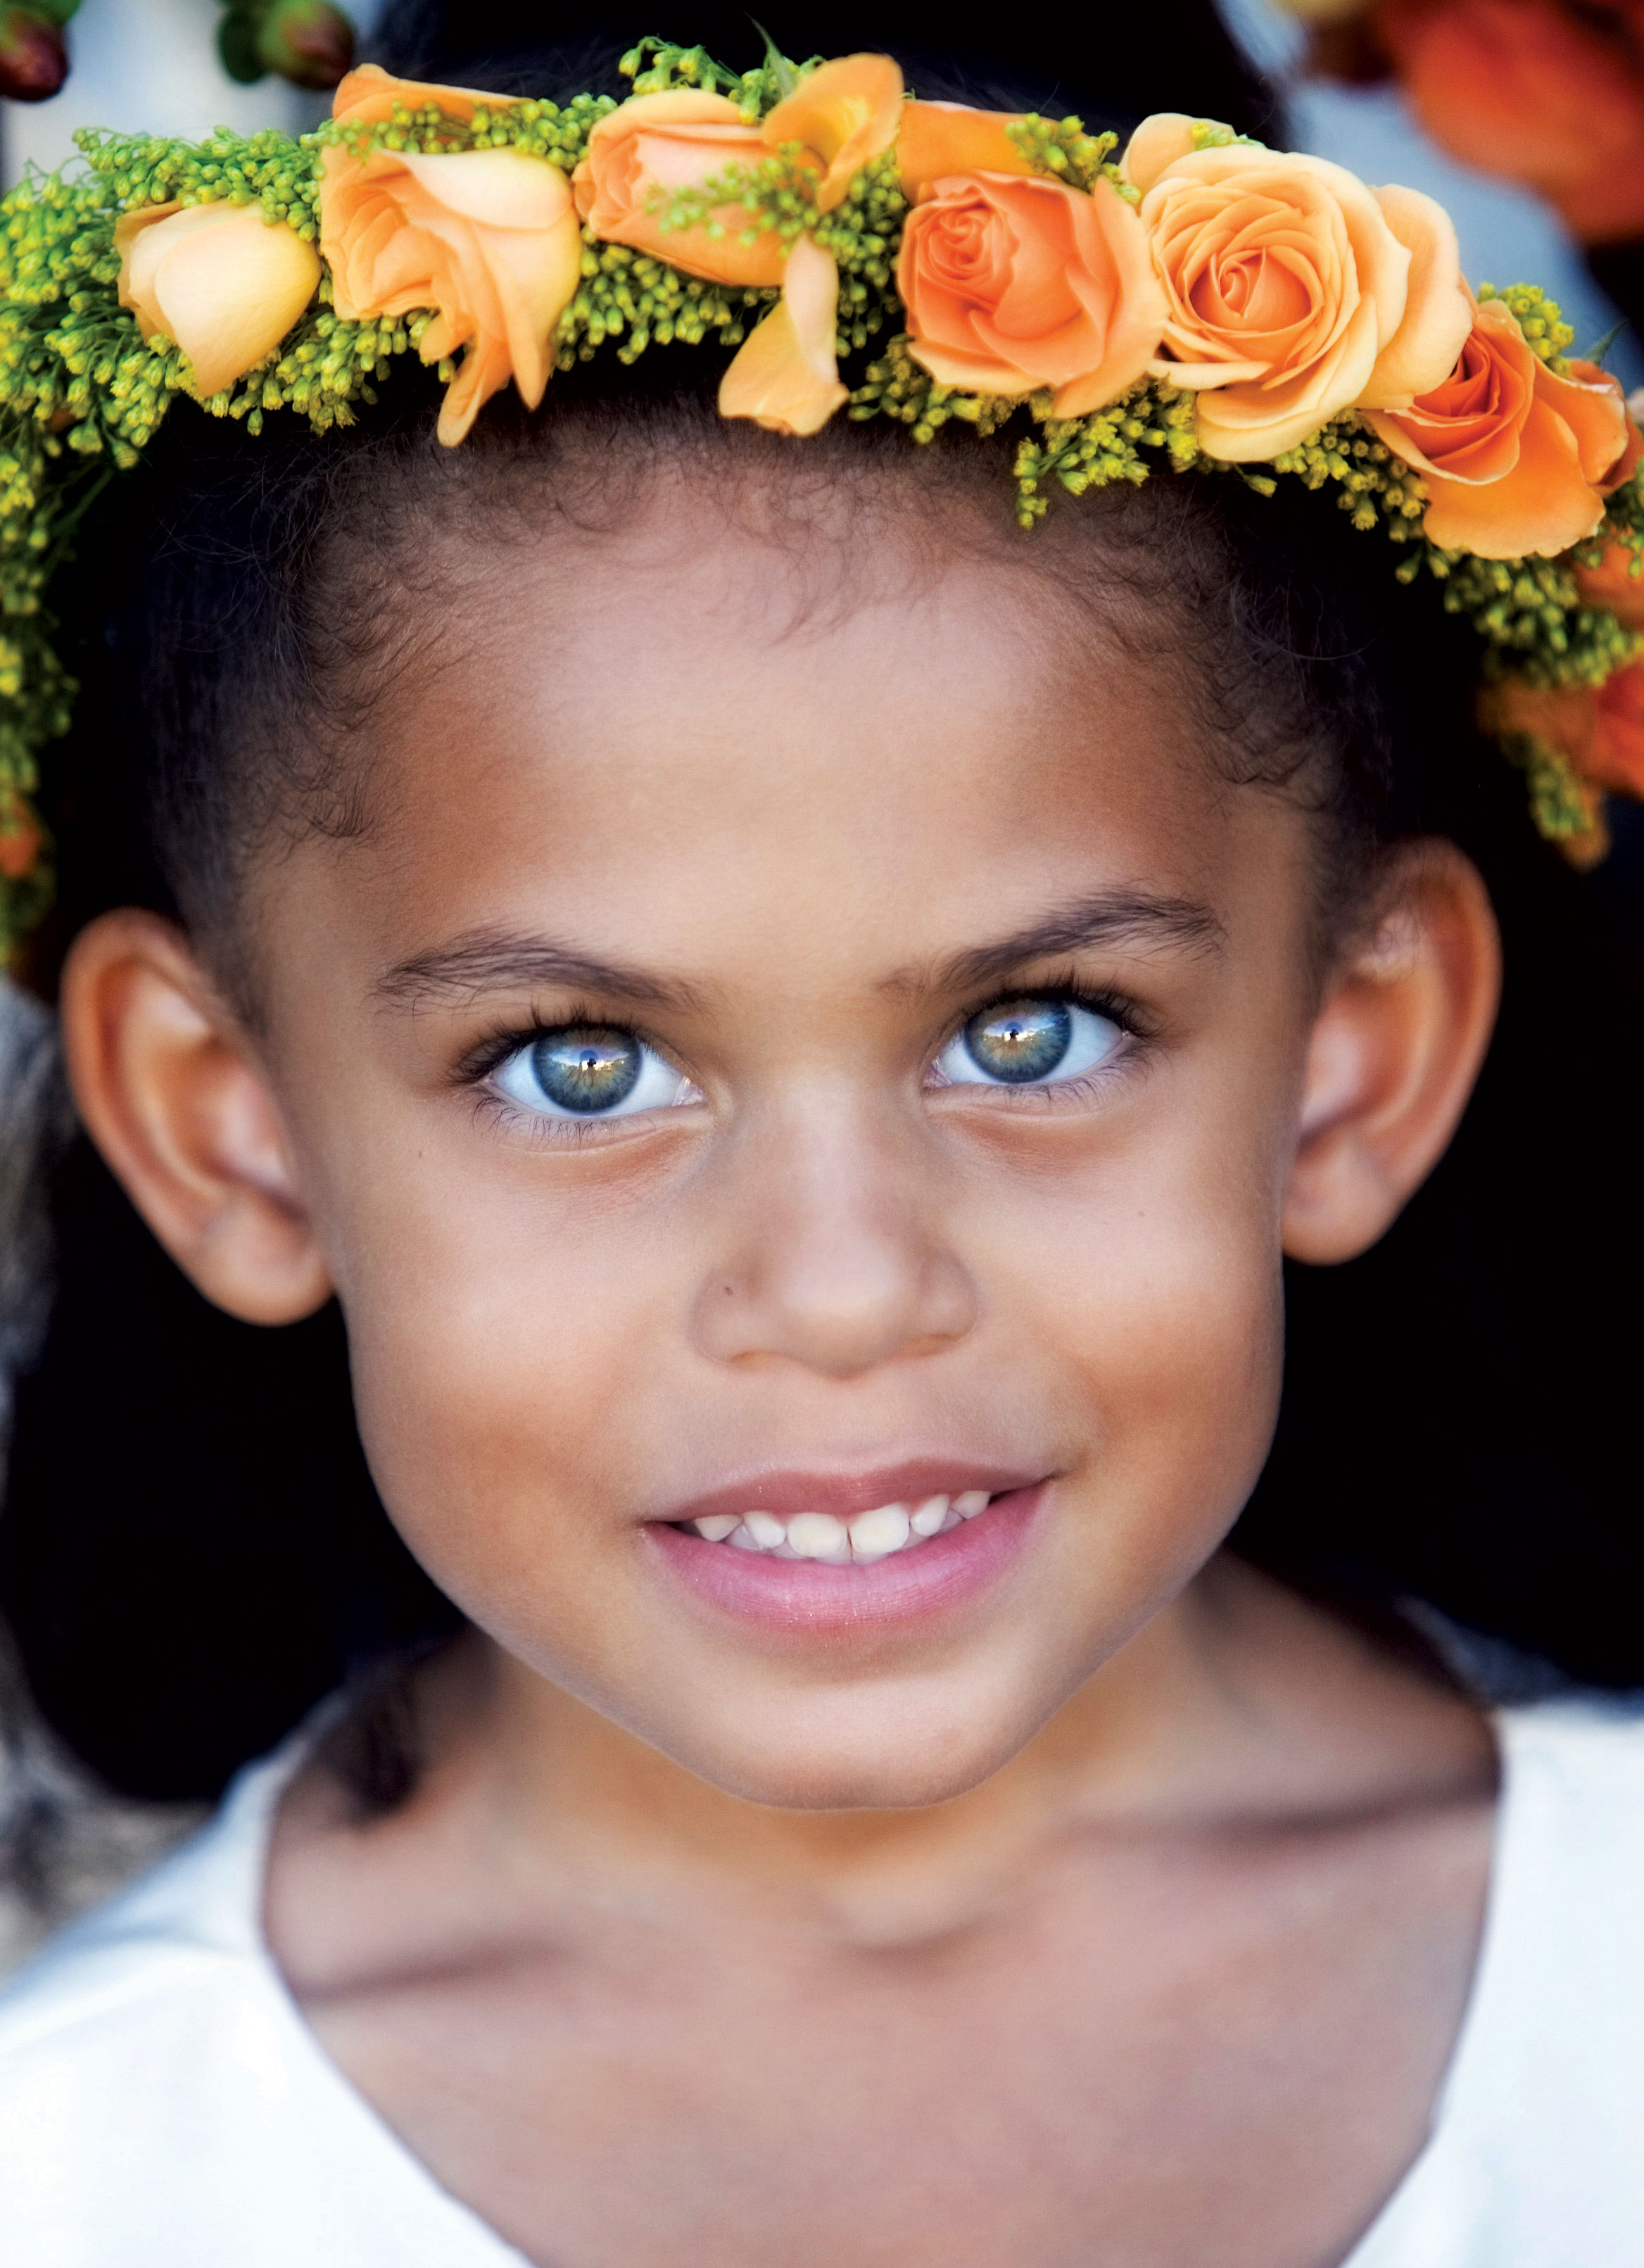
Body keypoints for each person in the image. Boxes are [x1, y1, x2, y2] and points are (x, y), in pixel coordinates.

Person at [0, 6, 1641, 2263]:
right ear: (236, 1132)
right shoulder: (82, 2184)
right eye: (581, 1064)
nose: (847, 1286)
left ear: (1349, 1059)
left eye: (1042, 1031)